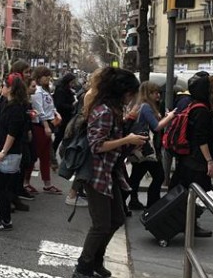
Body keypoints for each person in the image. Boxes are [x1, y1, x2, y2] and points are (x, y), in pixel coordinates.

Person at [72, 68, 147, 278]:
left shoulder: (113, 110)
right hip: (96, 174)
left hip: (110, 172)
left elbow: (112, 143)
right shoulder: (104, 110)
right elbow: (97, 145)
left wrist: (131, 139)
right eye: (131, 93)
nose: (132, 97)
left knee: (116, 219)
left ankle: (96, 260)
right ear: (121, 91)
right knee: (101, 224)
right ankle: (83, 268)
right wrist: (127, 140)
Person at [169, 75, 213, 238]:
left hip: (188, 158)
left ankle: (185, 223)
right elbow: (201, 138)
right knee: (200, 193)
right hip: (197, 160)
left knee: (188, 192)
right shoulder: (202, 110)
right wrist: (210, 162)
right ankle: (189, 224)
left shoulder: (194, 105)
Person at [0, 73, 28, 231]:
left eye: (3, 85)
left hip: (8, 153)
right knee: (0, 187)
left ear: (10, 89)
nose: (1, 87)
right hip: (2, 149)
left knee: (1, 188)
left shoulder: (16, 108)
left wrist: (3, 151)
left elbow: (12, 133)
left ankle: (5, 220)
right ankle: (1, 214)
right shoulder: (6, 102)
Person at [126, 81, 176, 210]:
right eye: (155, 92)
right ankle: (153, 204)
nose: (158, 95)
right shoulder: (146, 107)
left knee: (136, 176)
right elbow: (156, 126)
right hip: (146, 149)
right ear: (148, 93)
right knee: (159, 176)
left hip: (138, 147)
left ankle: (128, 201)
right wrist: (170, 117)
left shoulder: (138, 105)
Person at [27, 66, 63, 195]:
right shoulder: (37, 91)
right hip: (40, 126)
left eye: (49, 76)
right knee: (34, 155)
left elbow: (49, 107)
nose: (48, 78)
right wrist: (47, 126)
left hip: (48, 124)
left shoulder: (45, 90)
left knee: (45, 156)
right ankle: (26, 182)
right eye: (45, 76)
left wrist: (56, 114)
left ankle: (47, 184)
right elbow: (39, 110)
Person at [53, 73, 76, 154]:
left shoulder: (68, 90)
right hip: (62, 118)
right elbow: (59, 105)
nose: (73, 84)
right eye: (72, 82)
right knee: (59, 138)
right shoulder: (61, 91)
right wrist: (72, 106)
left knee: (64, 138)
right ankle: (53, 155)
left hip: (67, 117)